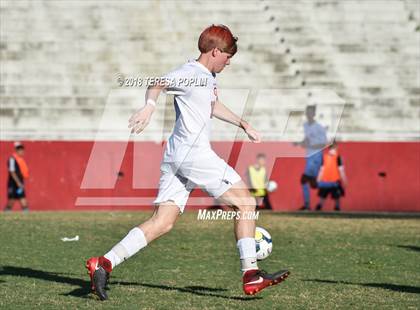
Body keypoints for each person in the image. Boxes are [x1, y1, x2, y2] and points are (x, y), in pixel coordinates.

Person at [86, 24, 289, 300]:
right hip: (194, 155)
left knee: (163, 222)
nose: (229, 62)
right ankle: (251, 273)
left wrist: (243, 124)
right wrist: (149, 107)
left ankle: (104, 262)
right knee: (247, 203)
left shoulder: (206, 78)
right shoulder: (191, 73)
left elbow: (211, 106)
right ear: (216, 51)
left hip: (177, 157)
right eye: (228, 56)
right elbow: (157, 83)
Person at [297, 105, 327, 211]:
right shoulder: (305, 125)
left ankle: (307, 205)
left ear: (314, 114)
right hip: (309, 156)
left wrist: (311, 145)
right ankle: (332, 186)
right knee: (312, 183)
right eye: (307, 112)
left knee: (305, 180)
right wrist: (300, 143)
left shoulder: (319, 127)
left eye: (310, 112)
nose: (308, 114)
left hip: (316, 157)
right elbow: (307, 139)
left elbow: (323, 143)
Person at [316, 142, 347, 211]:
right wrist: (344, 180)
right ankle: (337, 207)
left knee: (322, 196)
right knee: (337, 195)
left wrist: (318, 180)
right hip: (334, 181)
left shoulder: (324, 157)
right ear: (335, 148)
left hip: (325, 180)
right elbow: (341, 170)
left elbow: (321, 170)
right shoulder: (338, 157)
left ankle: (319, 206)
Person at [4, 142, 29, 212]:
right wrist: (18, 182)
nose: (21, 151)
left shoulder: (21, 160)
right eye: (19, 150)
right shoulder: (12, 159)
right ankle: (6, 212)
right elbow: (12, 171)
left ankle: (27, 215)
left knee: (23, 200)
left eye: (22, 149)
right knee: (11, 201)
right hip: (13, 183)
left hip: (19, 183)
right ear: (16, 150)